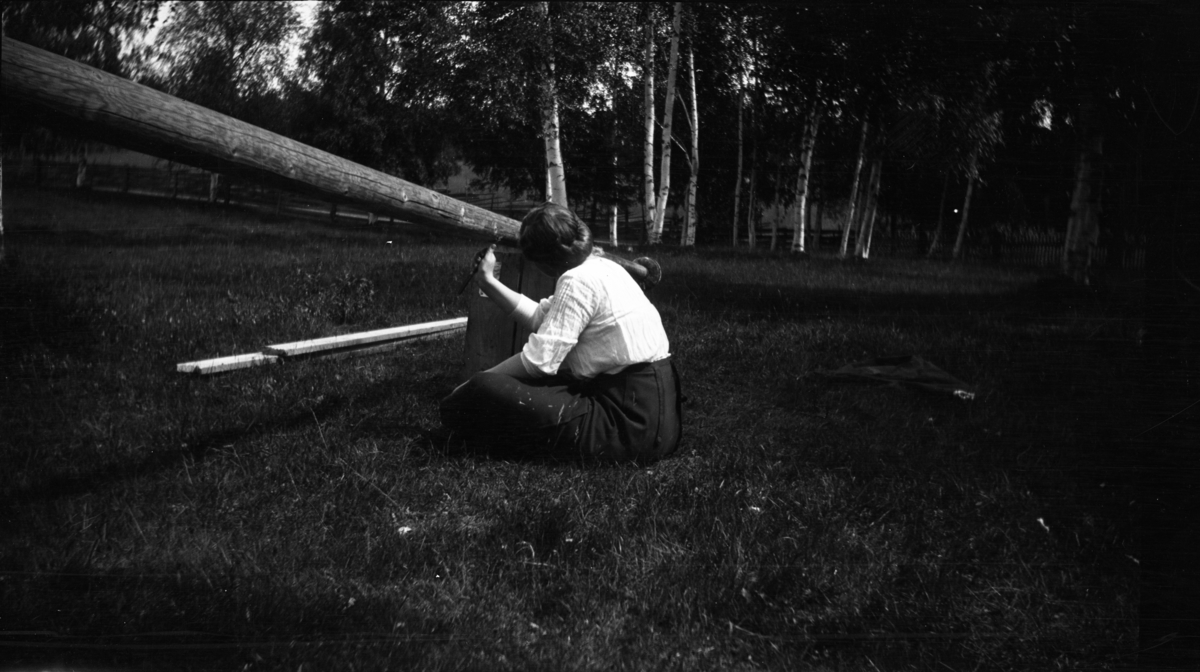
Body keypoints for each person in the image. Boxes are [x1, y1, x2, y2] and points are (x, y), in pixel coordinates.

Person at [439, 203, 682, 463]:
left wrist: (471, 385)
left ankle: (457, 426)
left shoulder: (576, 279)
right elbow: (541, 318)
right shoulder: (606, 268)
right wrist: (487, 281)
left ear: (542, 262)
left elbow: (538, 362)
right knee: (504, 388)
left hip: (624, 425)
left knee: (484, 387)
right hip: (660, 420)